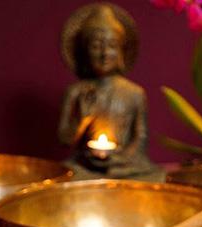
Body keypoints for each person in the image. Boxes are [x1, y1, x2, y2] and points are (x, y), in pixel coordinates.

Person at [59, 3, 160, 180]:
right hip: (85, 165)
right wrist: (84, 118)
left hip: (124, 165)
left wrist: (121, 158)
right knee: (65, 175)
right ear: (84, 52)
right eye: (96, 46)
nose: (105, 54)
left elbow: (140, 138)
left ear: (121, 50)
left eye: (112, 45)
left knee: (156, 177)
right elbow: (65, 139)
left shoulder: (135, 93)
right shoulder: (76, 92)